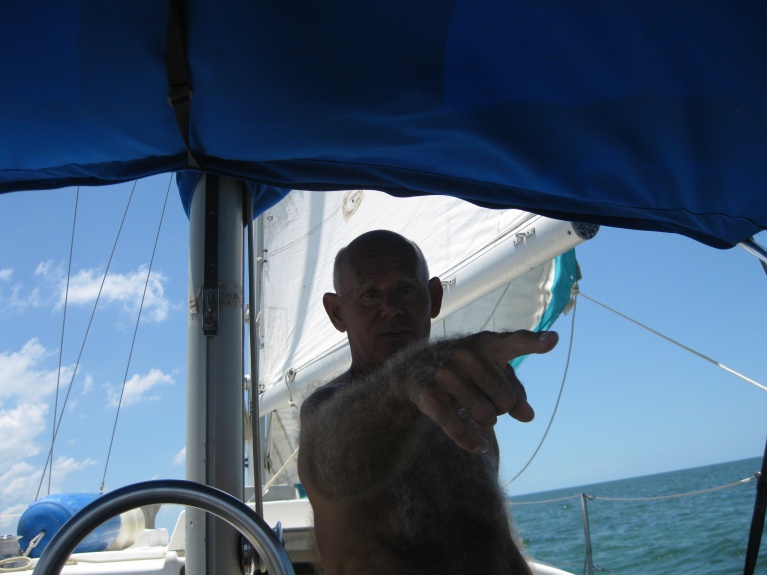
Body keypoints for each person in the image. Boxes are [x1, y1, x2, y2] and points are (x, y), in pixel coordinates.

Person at [297, 230, 558, 574]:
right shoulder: (326, 411)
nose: (390, 308)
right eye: (369, 294)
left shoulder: (461, 409)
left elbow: (495, 538)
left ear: (433, 297)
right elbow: (332, 471)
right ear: (337, 313)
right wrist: (402, 383)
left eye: (405, 289)